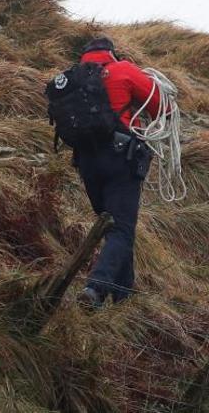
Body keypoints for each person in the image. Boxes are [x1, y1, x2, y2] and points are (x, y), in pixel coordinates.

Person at [73, 38, 160, 307]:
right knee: (121, 229)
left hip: (86, 162)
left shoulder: (72, 79)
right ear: (111, 53)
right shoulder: (123, 69)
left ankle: (124, 299)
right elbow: (162, 107)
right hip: (120, 158)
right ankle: (96, 289)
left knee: (114, 229)